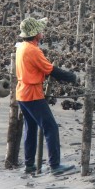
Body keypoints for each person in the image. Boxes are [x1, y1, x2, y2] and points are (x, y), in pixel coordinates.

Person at [16, 17, 77, 175]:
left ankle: (29, 165)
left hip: (21, 93)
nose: (42, 32)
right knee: (50, 128)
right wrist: (71, 77)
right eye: (40, 31)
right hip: (33, 94)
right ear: (36, 34)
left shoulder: (22, 47)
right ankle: (55, 166)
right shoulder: (33, 50)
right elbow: (50, 70)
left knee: (30, 128)